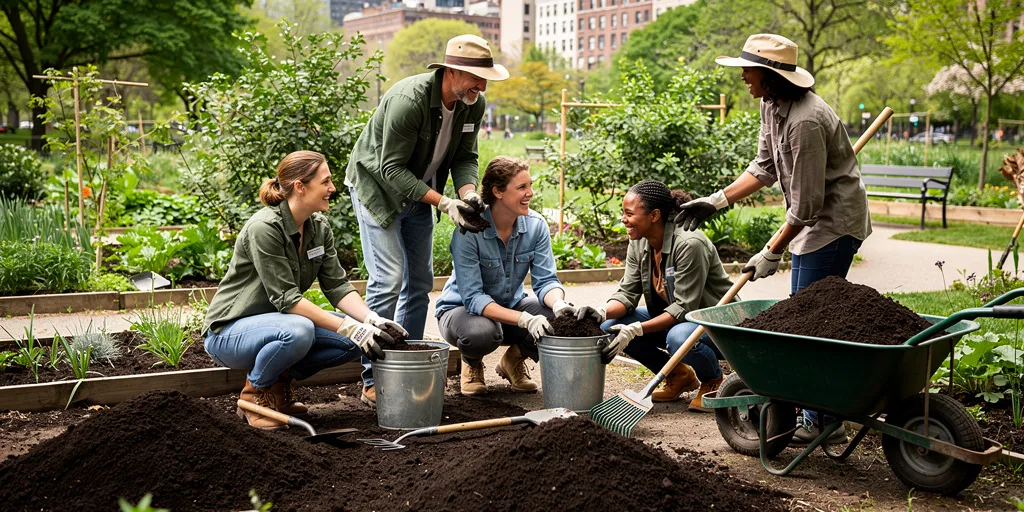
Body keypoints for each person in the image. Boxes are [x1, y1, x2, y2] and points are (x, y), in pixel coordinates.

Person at [675, 34, 871, 442]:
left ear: (769, 75)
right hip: (810, 221)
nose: (742, 77)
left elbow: (807, 207)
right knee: (805, 317)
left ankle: (823, 420)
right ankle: (816, 412)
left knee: (810, 322)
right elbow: (763, 166)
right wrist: (716, 201)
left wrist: (771, 251)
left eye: (748, 70)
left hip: (833, 225)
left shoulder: (806, 121)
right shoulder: (771, 104)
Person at [345, 34, 509, 407]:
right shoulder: (410, 101)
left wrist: (467, 194)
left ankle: (406, 364)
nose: (482, 87)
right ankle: (373, 378)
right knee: (388, 278)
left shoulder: (473, 104)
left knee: (419, 282)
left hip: (419, 190)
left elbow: (465, 156)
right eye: (476, 78)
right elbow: (390, 169)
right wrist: (444, 202)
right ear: (451, 71)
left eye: (485, 80)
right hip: (378, 189)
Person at [203, 151, 407, 429]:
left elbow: (337, 285)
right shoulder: (264, 228)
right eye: (325, 182)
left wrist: (371, 320)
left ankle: (278, 385)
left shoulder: (318, 227)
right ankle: (254, 395)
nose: (332, 188)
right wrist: (349, 326)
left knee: (355, 342)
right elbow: (287, 299)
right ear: (300, 186)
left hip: (280, 325)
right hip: (230, 333)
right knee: (300, 330)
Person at [579, 181, 734, 411]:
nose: (623, 219)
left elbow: (683, 309)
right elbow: (628, 292)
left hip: (716, 324)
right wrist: (601, 312)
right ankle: (678, 375)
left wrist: (637, 329)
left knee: (678, 337)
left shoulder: (689, 243)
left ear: (654, 215)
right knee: (611, 326)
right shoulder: (639, 241)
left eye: (629, 213)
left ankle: (712, 381)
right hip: (678, 321)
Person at [435, 156, 575, 395]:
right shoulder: (469, 230)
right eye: (522, 187)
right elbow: (474, 298)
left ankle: (513, 360)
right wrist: (525, 319)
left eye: (530, 185)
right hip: (462, 313)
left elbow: (546, 281)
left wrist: (559, 304)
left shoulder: (536, 226)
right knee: (482, 333)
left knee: (561, 318)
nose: (530, 193)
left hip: (510, 307)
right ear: (498, 191)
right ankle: (471, 363)